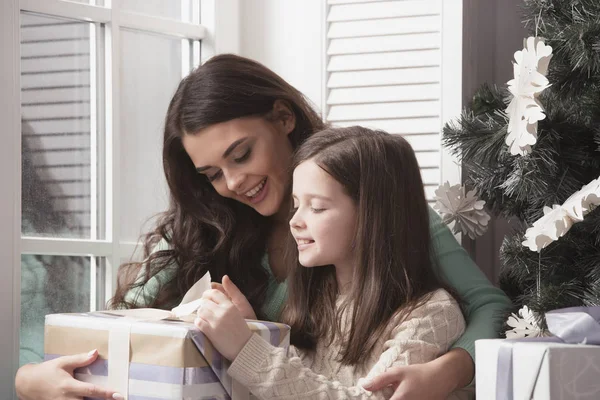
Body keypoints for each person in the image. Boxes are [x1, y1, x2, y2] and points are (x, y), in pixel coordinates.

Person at [15, 54, 511, 400]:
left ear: (283, 117)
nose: (232, 183)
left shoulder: (380, 214)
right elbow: (118, 329)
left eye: (241, 154)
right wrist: (28, 378)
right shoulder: (200, 232)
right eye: (211, 174)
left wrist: (450, 370)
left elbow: (488, 305)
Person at [195, 126, 469, 399]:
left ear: (372, 215)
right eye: (295, 204)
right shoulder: (319, 300)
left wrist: (246, 348)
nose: (295, 221)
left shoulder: (432, 314)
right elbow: (293, 386)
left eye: (316, 207)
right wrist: (255, 331)